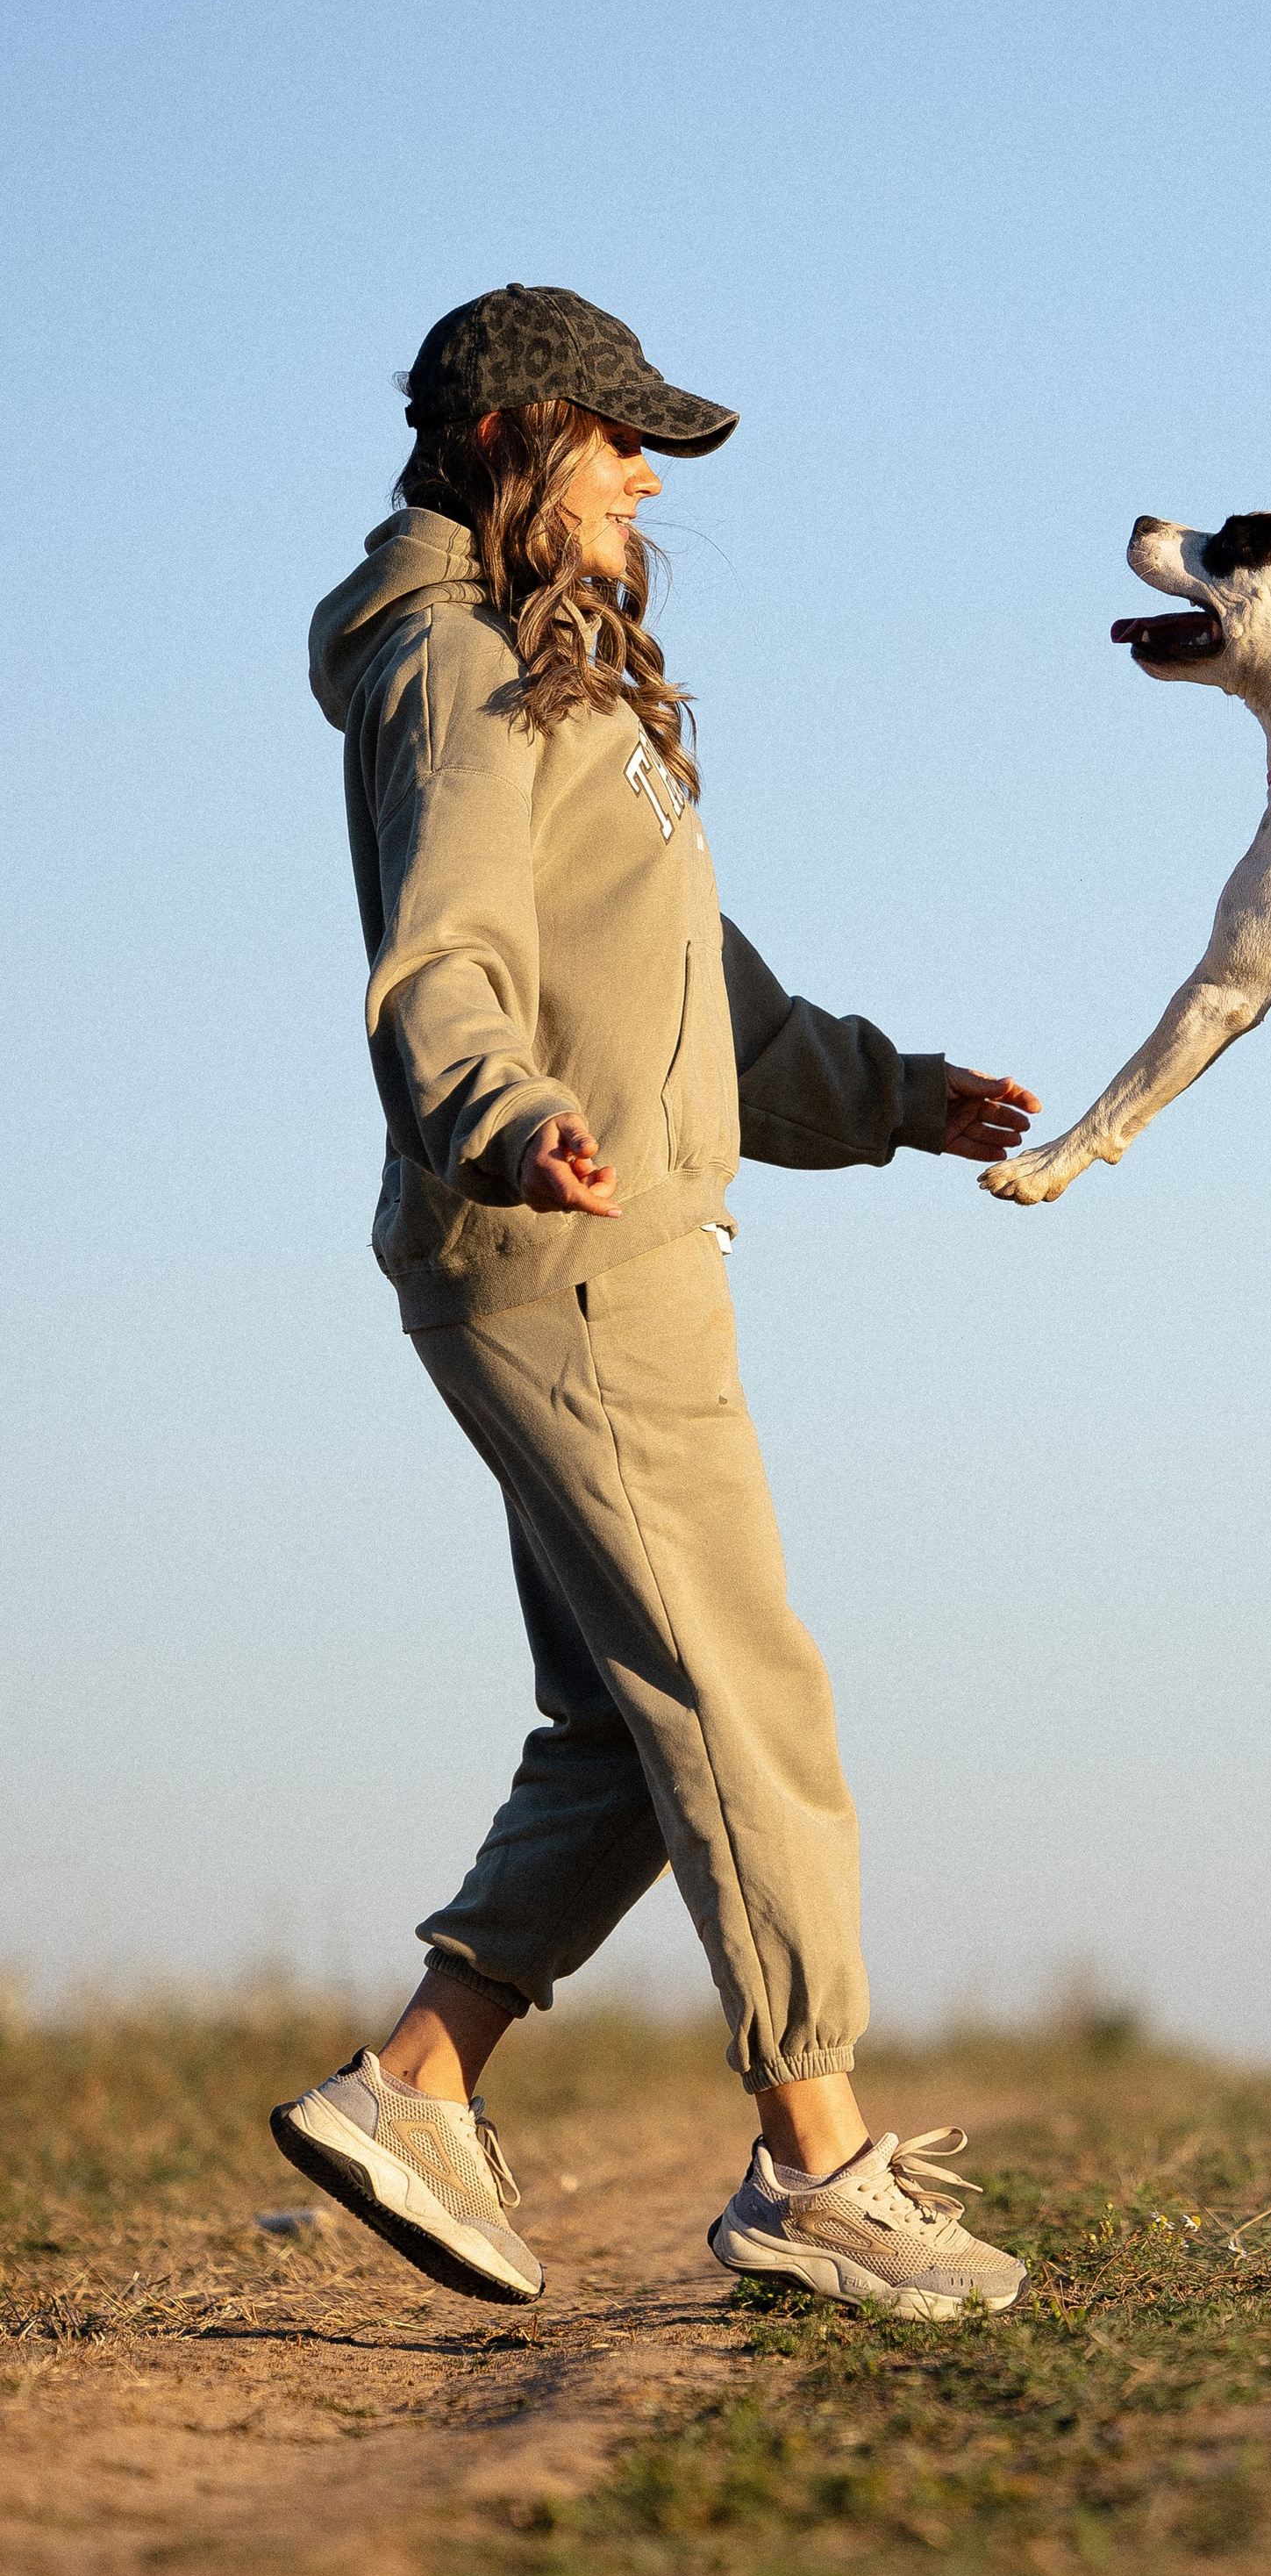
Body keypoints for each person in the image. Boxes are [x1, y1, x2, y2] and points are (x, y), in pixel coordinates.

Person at [275, 284, 1039, 2319]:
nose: (642, 480)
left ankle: (416, 2084)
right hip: (573, 1257)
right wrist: (503, 1112)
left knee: (635, 1712)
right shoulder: (450, 667)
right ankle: (815, 2163)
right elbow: (440, 957)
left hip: (604, 1245)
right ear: (509, 437)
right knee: (740, 1687)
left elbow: (713, 999)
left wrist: (897, 1096)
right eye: (615, 439)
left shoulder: (556, 677)